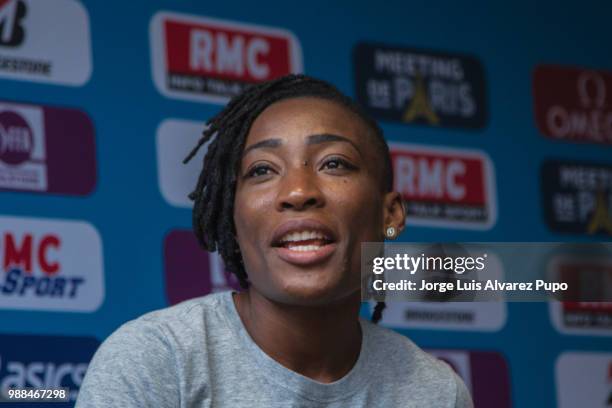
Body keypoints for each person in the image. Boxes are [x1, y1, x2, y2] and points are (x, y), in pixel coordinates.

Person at [75, 75, 474, 407]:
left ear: (390, 215)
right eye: (263, 170)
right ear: (234, 218)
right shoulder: (157, 362)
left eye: (333, 163)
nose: (298, 191)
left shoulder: (435, 392)